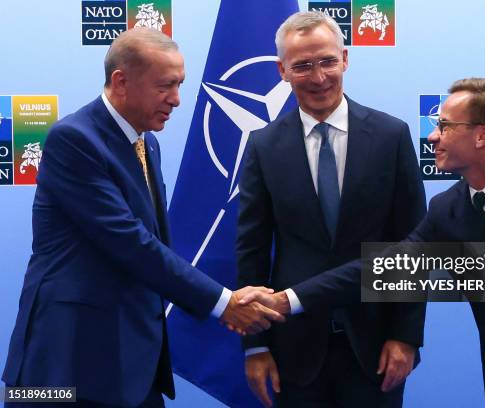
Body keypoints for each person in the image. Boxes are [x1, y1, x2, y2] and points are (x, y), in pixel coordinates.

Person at [243, 78, 485, 408]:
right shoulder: (446, 212)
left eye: (445, 126)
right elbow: (382, 269)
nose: (432, 136)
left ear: (482, 136)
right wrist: (287, 300)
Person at [2, 28, 283, 408]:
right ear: (121, 81)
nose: (177, 100)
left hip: (132, 364)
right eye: (165, 86)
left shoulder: (145, 142)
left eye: (180, 84)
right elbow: (130, 242)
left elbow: (150, 245)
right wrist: (223, 302)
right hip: (63, 366)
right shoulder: (74, 139)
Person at [236, 11, 426, 408]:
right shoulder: (263, 146)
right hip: (294, 348)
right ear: (282, 71)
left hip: (377, 346)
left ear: (345, 58)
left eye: (327, 61)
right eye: (303, 66)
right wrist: (255, 347)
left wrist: (406, 335)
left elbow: (414, 247)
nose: (319, 77)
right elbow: (251, 251)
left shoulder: (392, 136)